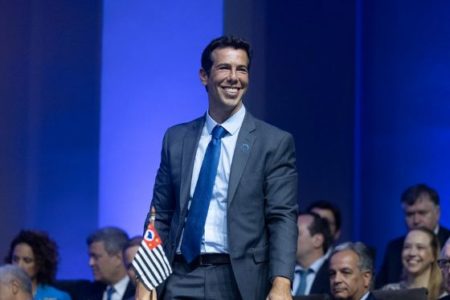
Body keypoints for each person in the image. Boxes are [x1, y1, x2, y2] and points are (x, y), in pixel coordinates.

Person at [143, 35, 298, 300]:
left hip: (240, 280)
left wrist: (282, 283)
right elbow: (160, 214)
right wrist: (146, 279)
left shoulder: (273, 142)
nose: (234, 77)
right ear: (204, 76)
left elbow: (282, 217)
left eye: (242, 69)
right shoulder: (176, 138)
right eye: (225, 68)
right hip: (179, 274)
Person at [376, 183, 450, 288]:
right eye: (410, 214)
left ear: (437, 213)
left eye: (422, 213)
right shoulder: (394, 248)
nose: (416, 220)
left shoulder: (448, 241)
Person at [4, 230, 71, 300]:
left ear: (40, 264)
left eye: (27, 260)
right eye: (15, 259)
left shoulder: (59, 297)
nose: (19, 266)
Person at [381, 227, 442, 300]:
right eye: (407, 247)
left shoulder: (443, 294)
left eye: (420, 247)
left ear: (433, 255)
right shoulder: (389, 292)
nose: (412, 253)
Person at [86, 227, 135, 300]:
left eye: (96, 257)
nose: (90, 263)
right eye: (90, 257)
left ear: (118, 258)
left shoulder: (139, 291)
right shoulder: (87, 292)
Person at [292, 212, 333, 296]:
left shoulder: (333, 274)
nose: (289, 239)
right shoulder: (279, 273)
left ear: (317, 240)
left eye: (296, 234)